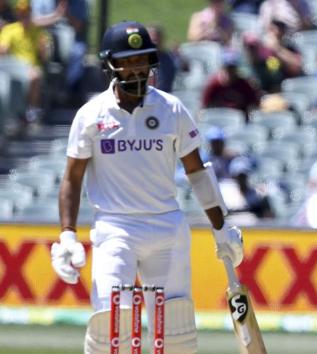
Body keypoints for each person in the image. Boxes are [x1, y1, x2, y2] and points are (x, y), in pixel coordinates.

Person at [49, 21, 243, 354]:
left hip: (167, 226)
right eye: (128, 60)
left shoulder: (171, 109)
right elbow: (72, 176)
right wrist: (67, 234)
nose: (137, 68)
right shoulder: (91, 115)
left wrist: (221, 226)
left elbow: (197, 172)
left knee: (175, 334)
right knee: (112, 324)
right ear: (111, 64)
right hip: (115, 228)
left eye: (142, 59)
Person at [0, 0, 50, 124]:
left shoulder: (38, 31)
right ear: (18, 14)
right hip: (14, 66)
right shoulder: (9, 30)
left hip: (32, 66)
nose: (24, 16)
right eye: (21, 13)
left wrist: (43, 48)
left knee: (35, 76)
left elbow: (44, 58)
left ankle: (30, 110)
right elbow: (3, 49)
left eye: (26, 13)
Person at [201, 49, 260, 119]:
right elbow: (204, 108)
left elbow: (254, 104)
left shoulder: (244, 85)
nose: (230, 71)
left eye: (232, 68)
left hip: (239, 124)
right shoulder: (213, 85)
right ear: (222, 68)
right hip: (218, 121)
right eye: (227, 68)